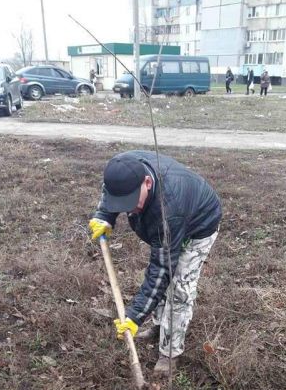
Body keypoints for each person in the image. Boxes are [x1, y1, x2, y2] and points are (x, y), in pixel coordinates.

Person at [89, 151, 222, 377]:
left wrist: (134, 315)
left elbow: (162, 270)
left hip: (199, 226)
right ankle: (160, 325)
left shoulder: (168, 210)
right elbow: (110, 190)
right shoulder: (123, 168)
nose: (129, 210)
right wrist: (104, 215)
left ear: (148, 183)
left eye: (131, 202)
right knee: (159, 276)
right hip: (169, 219)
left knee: (179, 288)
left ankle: (170, 353)